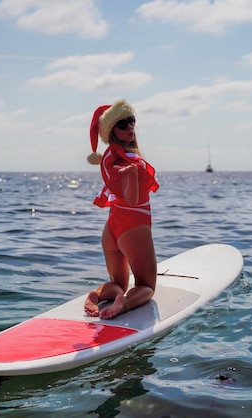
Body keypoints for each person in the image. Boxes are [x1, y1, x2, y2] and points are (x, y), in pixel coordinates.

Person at [84, 99, 160, 319]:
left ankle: (97, 295)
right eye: (123, 124)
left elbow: (119, 194)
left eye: (132, 121)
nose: (130, 127)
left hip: (112, 227)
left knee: (118, 284)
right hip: (133, 227)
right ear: (111, 131)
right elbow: (133, 199)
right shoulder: (128, 161)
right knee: (147, 286)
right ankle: (123, 305)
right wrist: (132, 175)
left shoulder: (109, 157)